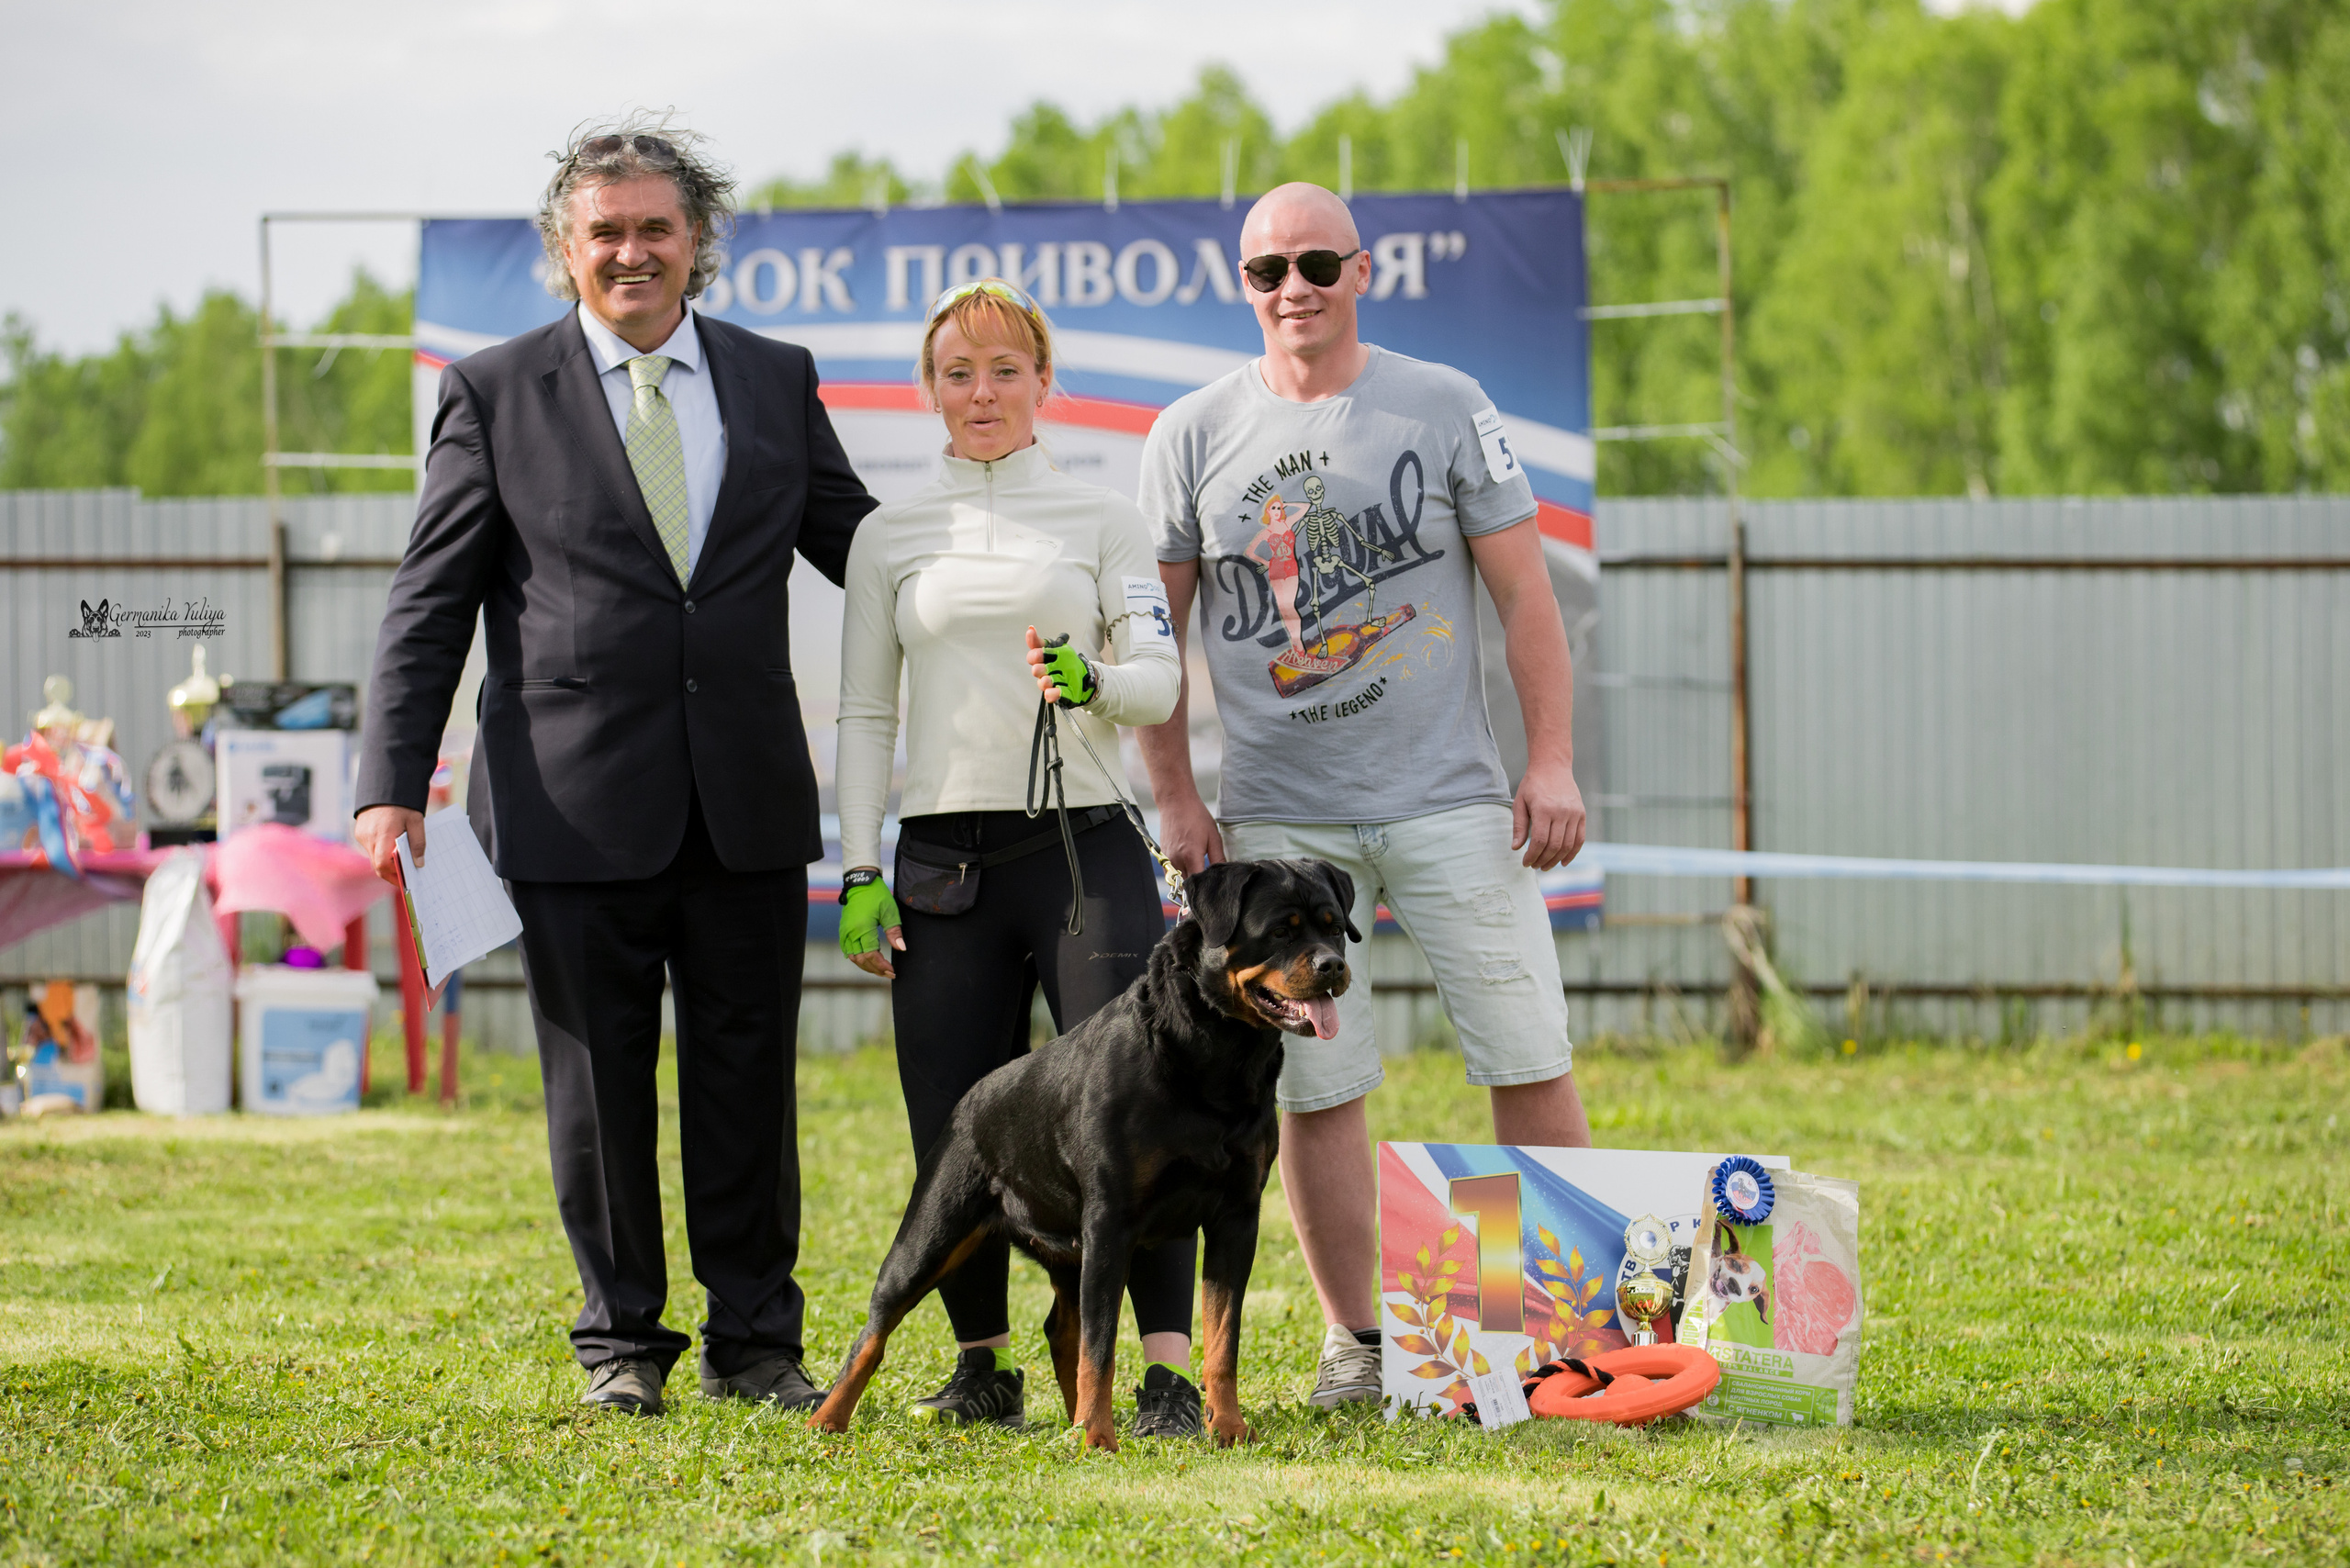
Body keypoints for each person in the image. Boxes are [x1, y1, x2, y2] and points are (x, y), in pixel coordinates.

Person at [353, 117, 877, 1417]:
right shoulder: (489, 391)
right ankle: (622, 1349)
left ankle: (756, 1343)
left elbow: (865, 551)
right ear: (564, 252)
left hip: (746, 799)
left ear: (699, 244)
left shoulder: (773, 376)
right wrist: (386, 778)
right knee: (597, 1089)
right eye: (607, 233)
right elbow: (431, 600)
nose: (632, 252)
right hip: (568, 805)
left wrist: (1008, 577)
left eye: (656, 229)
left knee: (747, 1084)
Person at [1136, 182, 1595, 1408]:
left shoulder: (1445, 405)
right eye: (1267, 268)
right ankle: (1364, 1346)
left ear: (1363, 270)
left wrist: (1547, 760)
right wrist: (1177, 799)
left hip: (1452, 800)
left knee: (1524, 1053)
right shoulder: (1189, 431)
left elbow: (1528, 601)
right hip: (1280, 818)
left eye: (1318, 264)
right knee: (1322, 1083)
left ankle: (1547, 1337)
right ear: (1243, 283)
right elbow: (1150, 644)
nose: (1294, 288)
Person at [834, 279, 1199, 1437]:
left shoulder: (1102, 521)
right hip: (942, 859)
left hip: (1082, 849)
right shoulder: (886, 534)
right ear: (928, 389)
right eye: (956, 371)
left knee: (1145, 1110)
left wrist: (1099, 682)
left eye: (1004, 370)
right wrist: (854, 869)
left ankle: (1166, 1374)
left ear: (1044, 382)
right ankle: (981, 1365)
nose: (980, 392)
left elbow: (1160, 677)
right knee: (955, 1121)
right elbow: (862, 718)